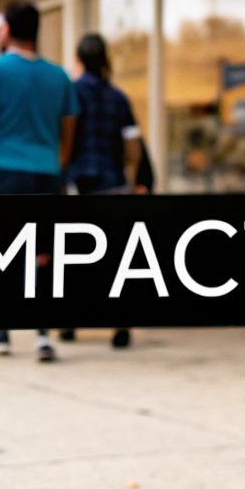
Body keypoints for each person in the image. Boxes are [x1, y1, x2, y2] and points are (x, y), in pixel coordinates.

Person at [0, 1, 78, 362]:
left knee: (0, 250)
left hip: (3, 172)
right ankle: (43, 335)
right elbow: (68, 132)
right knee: (42, 254)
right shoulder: (58, 76)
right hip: (46, 173)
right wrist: (54, 166)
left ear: (8, 30)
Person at [59, 33, 143, 350]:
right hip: (113, 182)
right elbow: (133, 145)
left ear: (79, 59)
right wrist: (133, 179)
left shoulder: (72, 94)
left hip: (80, 181)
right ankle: (120, 323)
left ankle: (70, 321)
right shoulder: (118, 98)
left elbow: (64, 138)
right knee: (115, 257)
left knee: (76, 255)